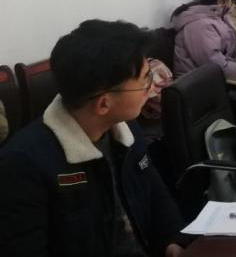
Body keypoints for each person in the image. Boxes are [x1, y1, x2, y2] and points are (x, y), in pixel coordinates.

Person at [0, 21, 185, 256]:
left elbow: (156, 195)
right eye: (145, 80)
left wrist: (173, 242)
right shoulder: (23, 164)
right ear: (104, 104)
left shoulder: (127, 129)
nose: (150, 88)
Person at [171, 0, 236, 81]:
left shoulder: (221, 16)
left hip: (214, 76)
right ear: (220, 2)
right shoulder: (199, 25)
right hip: (195, 83)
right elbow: (214, 65)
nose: (233, 3)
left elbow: (231, 52)